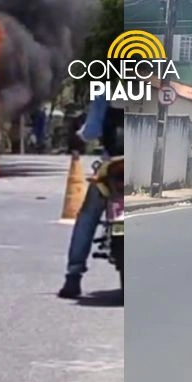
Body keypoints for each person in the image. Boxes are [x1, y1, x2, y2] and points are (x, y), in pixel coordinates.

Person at [57, 95, 124, 299]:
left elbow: (91, 131)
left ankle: (73, 276)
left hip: (113, 164)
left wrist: (81, 135)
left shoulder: (108, 89)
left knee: (88, 216)